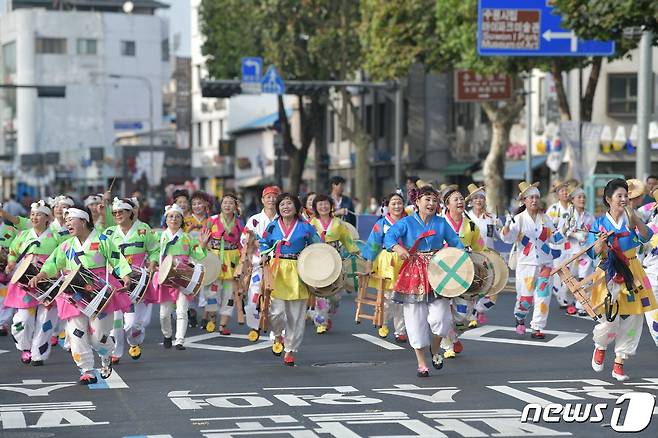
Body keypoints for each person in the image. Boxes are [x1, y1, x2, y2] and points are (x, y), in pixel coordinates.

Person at [29, 204, 132, 384]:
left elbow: (117, 259)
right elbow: (52, 264)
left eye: (71, 219)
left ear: (83, 221)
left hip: (99, 291)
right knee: (75, 333)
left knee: (98, 337)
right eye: (66, 220)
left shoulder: (102, 240)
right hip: (73, 293)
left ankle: (106, 353)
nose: (67, 223)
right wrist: (41, 275)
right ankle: (87, 370)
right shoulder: (66, 245)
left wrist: (125, 276)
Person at [383, 185, 463, 377]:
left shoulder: (442, 223)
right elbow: (389, 237)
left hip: (438, 270)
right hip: (414, 272)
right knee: (414, 317)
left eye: (434, 200)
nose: (431, 203)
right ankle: (421, 362)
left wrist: (464, 257)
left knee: (442, 318)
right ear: (416, 202)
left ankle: (435, 348)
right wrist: (397, 248)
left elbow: (456, 243)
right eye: (427, 199)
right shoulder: (407, 222)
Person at [588, 178, 657, 381]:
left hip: (632, 270)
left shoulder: (631, 219)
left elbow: (646, 236)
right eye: (620, 196)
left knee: (633, 318)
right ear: (609, 199)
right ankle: (600, 346)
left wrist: (634, 218)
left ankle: (620, 362)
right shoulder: (599, 223)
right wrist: (600, 246)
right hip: (609, 271)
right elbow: (593, 253)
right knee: (607, 316)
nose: (624, 199)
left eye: (626, 195)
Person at [259, 193, 320, 366]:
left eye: (289, 204)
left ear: (296, 207)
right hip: (277, 270)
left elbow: (318, 245)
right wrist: (264, 254)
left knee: (296, 315)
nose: (285, 207)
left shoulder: (306, 226)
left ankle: (290, 350)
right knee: (275, 312)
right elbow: (263, 242)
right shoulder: (272, 226)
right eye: (282, 204)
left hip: (299, 270)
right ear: (278, 208)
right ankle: (278, 334)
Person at [501, 181, 564, 339]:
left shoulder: (545, 218)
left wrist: (566, 229)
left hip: (545, 263)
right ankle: (520, 316)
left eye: (536, 197)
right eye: (531, 198)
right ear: (524, 201)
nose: (534, 200)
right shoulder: (518, 219)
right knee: (526, 298)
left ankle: (537, 327)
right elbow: (507, 238)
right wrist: (507, 227)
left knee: (543, 297)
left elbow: (555, 239)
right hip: (526, 264)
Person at [4, 201, 60, 366]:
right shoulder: (23, 235)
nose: (35, 217)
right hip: (25, 282)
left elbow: (61, 256)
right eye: (33, 214)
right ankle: (25, 347)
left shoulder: (56, 236)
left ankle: (38, 354)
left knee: (45, 321)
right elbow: (13, 251)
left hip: (48, 282)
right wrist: (11, 262)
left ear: (47, 218)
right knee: (23, 320)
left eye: (39, 214)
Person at [106, 198, 159, 363]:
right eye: (114, 213)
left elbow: (154, 249)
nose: (117, 215)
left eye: (121, 212)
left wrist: (152, 264)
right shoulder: (109, 233)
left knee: (132, 324)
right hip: (116, 280)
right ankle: (116, 352)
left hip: (139, 281)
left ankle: (134, 341)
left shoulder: (144, 229)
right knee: (116, 321)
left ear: (130, 212)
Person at [155, 204, 210, 350]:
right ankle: (167, 335)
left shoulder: (186, 237)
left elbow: (197, 255)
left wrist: (203, 245)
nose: (174, 219)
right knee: (164, 314)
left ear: (182, 220)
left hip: (184, 276)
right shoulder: (159, 236)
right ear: (165, 219)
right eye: (171, 216)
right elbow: (152, 253)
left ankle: (180, 340)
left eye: (178, 216)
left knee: (181, 310)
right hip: (166, 277)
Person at [440, 187, 485, 358]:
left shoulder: (471, 226)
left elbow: (480, 248)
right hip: (443, 271)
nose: (460, 202)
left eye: (461, 199)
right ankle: (447, 344)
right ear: (447, 204)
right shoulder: (439, 223)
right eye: (455, 200)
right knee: (442, 310)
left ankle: (454, 335)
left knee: (463, 315)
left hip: (466, 272)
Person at [308, 194, 359, 334]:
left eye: (326, 204)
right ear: (315, 207)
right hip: (317, 261)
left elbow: (347, 239)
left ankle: (329, 312)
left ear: (331, 206)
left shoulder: (338, 223)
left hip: (335, 260)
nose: (323, 207)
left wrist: (355, 251)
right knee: (319, 293)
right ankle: (321, 322)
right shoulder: (310, 223)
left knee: (335, 295)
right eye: (320, 204)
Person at [361, 192, 408, 342]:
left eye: (399, 203)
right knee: (387, 297)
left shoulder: (409, 222)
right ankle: (383, 322)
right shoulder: (380, 224)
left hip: (405, 260)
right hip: (387, 262)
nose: (397, 206)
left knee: (404, 298)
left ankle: (400, 330)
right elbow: (373, 245)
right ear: (387, 206)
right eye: (393, 203)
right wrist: (369, 264)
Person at [206, 193, 244, 334]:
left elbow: (242, 242)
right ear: (221, 205)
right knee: (212, 293)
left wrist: (243, 260)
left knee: (229, 295)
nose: (227, 205)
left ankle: (223, 325)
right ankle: (212, 317)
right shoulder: (212, 220)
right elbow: (204, 239)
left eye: (230, 203)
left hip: (232, 260)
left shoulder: (240, 223)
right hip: (215, 260)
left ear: (235, 206)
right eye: (225, 202)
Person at [465, 184, 501, 325]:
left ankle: (479, 309)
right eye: (475, 198)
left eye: (481, 198)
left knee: (493, 291)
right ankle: (472, 316)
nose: (478, 201)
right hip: (472, 257)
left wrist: (502, 226)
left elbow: (502, 236)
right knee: (473, 289)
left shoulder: (491, 217)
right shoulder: (466, 217)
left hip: (489, 257)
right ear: (471, 201)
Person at [561, 186, 595, 316]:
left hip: (584, 252)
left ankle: (581, 305)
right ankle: (569, 303)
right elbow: (562, 232)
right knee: (570, 280)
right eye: (579, 197)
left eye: (583, 197)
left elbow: (593, 232)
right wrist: (574, 235)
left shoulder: (589, 216)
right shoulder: (567, 215)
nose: (582, 199)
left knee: (584, 279)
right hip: (570, 252)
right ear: (573, 200)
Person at [547, 180, 573, 309]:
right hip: (556, 246)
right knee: (558, 272)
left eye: (566, 190)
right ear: (557, 194)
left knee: (570, 272)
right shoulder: (553, 209)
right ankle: (561, 298)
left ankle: (566, 297)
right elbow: (548, 227)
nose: (565, 193)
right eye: (561, 190)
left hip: (571, 244)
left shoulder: (573, 208)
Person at [0, 203, 19, 336]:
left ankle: (3, 322)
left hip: (5, 266)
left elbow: (16, 247)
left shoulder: (10, 229)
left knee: (3, 294)